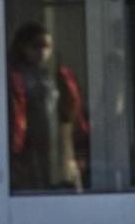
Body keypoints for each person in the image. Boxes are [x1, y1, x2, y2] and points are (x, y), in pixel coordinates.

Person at [8, 22, 88, 192]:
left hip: (58, 142)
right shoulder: (16, 77)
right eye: (36, 47)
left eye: (47, 47)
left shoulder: (57, 74)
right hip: (29, 144)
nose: (43, 52)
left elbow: (71, 112)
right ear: (22, 47)